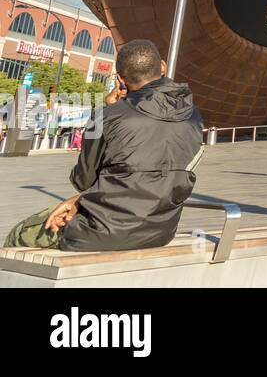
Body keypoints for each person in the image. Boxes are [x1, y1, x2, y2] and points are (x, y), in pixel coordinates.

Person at [4, 39, 203, 251]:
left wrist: (109, 110)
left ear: (120, 79)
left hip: (100, 230)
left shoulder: (106, 116)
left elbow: (83, 181)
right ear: (162, 66)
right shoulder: (193, 116)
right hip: (161, 231)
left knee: (18, 235)